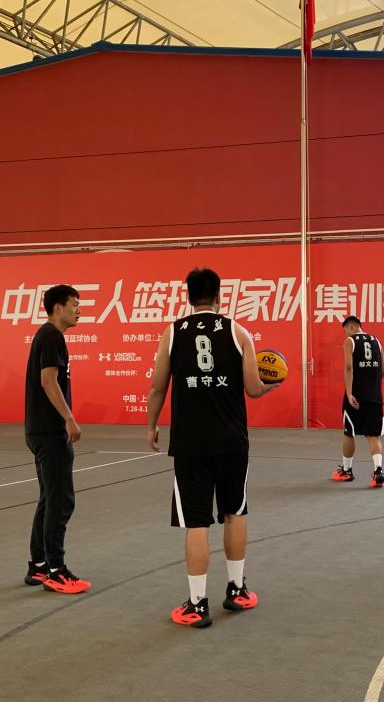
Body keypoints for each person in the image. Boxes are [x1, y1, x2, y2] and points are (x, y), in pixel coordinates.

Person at [146, 267, 280, 629]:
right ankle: (237, 590)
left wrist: (151, 424)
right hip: (232, 440)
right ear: (219, 296)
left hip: (191, 442)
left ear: (189, 297)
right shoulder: (239, 332)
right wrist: (269, 385)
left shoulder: (172, 332)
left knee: (197, 523)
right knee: (235, 512)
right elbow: (253, 389)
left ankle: (196, 604)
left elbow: (158, 387)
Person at [23, 285, 91, 594]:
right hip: (50, 431)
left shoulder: (46, 335)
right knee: (61, 500)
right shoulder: (52, 336)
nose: (79, 310)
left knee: (49, 498)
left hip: (40, 430)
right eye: (74, 304)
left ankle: (38, 565)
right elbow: (48, 380)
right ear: (58, 308)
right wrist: (69, 418)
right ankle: (56, 570)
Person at [331, 315, 384, 488]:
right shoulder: (377, 342)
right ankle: (378, 471)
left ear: (350, 327)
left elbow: (349, 367)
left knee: (349, 432)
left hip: (355, 396)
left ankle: (346, 471)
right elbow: (383, 371)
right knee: (373, 435)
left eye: (345, 331)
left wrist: (350, 393)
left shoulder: (350, 341)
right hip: (374, 396)